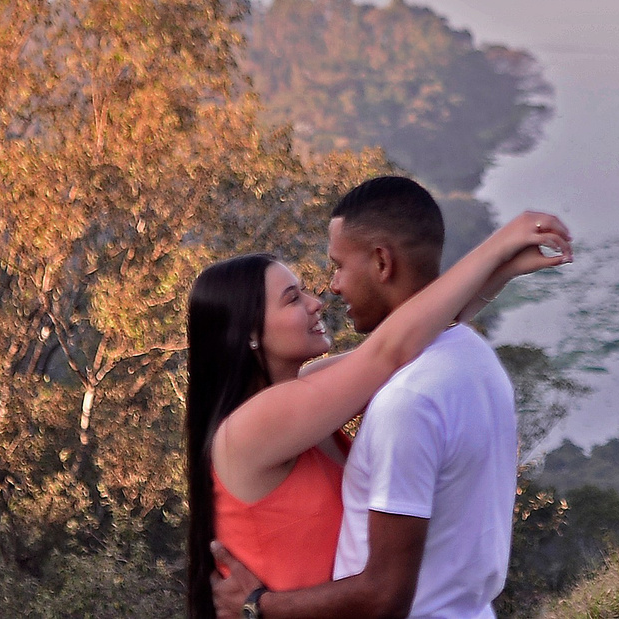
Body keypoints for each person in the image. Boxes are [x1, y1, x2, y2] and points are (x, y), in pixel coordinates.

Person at [188, 176, 568, 619]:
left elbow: (413, 333)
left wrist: (498, 274)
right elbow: (390, 351)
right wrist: (499, 244)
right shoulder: (251, 428)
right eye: (293, 299)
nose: (317, 301)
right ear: (250, 334)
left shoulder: (306, 393)